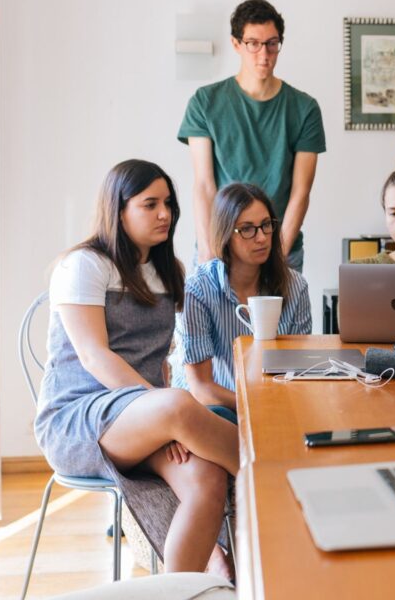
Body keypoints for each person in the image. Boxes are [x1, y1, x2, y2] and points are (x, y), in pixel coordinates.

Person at [34, 160, 238, 576]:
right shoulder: (85, 265)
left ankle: (180, 587)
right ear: (119, 208)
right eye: (150, 204)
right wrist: (164, 412)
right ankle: (280, 477)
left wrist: (163, 417)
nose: (165, 214)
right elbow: (95, 356)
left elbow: (160, 359)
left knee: (207, 481)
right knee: (181, 406)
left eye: (168, 204)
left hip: (146, 418)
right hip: (79, 419)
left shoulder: (168, 272)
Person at [179, 0, 326, 272]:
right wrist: (209, 253)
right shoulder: (205, 102)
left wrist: (278, 257)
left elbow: (300, 193)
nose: (264, 54)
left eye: (272, 43)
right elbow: (203, 186)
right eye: (253, 43)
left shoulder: (304, 109)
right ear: (236, 44)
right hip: (221, 247)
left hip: (280, 247)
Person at [172, 183, 312, 419]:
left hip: (274, 405)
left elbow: (298, 371)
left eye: (266, 225)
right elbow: (202, 389)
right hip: (212, 410)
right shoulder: (197, 290)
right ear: (225, 234)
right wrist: (259, 405)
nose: (261, 238)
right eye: (247, 229)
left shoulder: (296, 286)